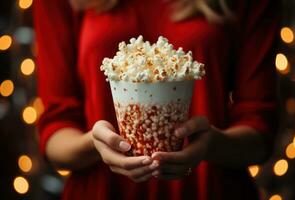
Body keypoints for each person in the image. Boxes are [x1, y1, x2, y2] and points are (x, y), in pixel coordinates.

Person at [34, 0, 279, 199]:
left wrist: (211, 144)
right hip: (101, 190)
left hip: (211, 187)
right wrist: (93, 144)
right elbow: (55, 130)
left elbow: (259, 129)